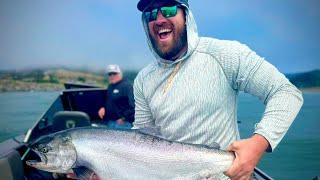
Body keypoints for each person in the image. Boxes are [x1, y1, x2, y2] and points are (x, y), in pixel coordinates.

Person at [133, 0, 303, 179]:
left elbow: (285, 92)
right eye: (151, 14)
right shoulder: (143, 80)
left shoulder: (225, 54)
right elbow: (141, 139)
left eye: (168, 10)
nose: (159, 20)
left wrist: (258, 143)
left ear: (186, 16)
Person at [98, 64, 135, 129]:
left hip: (122, 124)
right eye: (110, 74)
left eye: (114, 73)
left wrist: (124, 118)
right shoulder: (111, 86)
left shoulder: (127, 86)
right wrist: (103, 108)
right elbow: (109, 100)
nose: (112, 76)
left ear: (120, 74)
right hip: (110, 121)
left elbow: (134, 106)